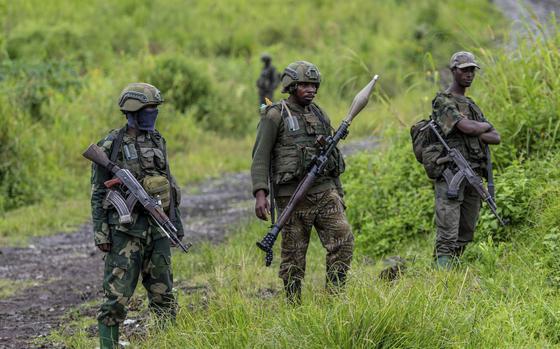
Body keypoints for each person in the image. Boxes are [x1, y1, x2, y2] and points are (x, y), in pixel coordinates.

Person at [90, 82, 184, 348]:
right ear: (133, 110)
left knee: (163, 294)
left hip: (158, 230)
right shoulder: (111, 144)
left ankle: (170, 341)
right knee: (116, 299)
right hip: (124, 233)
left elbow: (169, 183)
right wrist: (101, 233)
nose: (153, 113)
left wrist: (175, 223)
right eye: (149, 108)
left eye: (155, 108)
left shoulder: (157, 140)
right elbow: (98, 192)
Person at [251, 61, 353, 303]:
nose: (311, 90)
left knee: (344, 240)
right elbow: (260, 156)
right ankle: (293, 304)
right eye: (305, 85)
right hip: (291, 197)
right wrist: (260, 194)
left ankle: (335, 297)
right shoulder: (275, 115)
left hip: (325, 192)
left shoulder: (319, 113)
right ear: (292, 86)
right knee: (294, 256)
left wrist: (339, 192)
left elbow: (331, 155)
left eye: (314, 85)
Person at [431, 52, 501, 268]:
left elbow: (496, 137)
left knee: (466, 231)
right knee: (447, 233)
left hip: (472, 175)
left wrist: (476, 129)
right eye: (464, 70)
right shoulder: (442, 101)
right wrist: (479, 128)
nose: (469, 74)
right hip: (451, 173)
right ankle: (439, 279)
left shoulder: (471, 105)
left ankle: (453, 272)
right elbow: (466, 127)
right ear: (453, 71)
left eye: (472, 70)